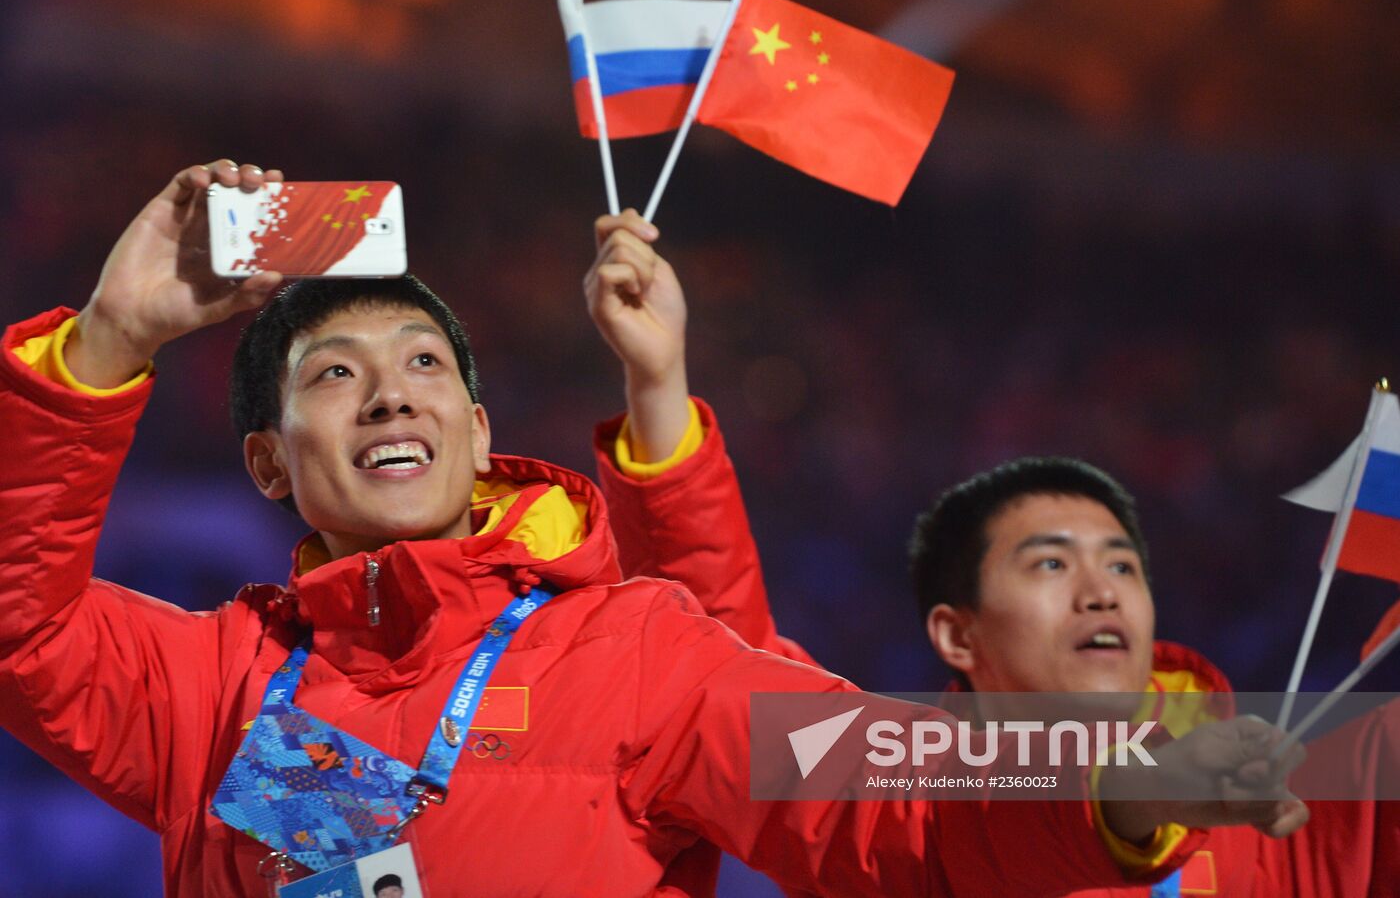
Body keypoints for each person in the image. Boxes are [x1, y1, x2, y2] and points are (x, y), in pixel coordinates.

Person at [0, 162, 1296, 898]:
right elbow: (23, 622)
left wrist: (1104, 789)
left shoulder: (633, 653)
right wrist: (110, 340)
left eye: (424, 363)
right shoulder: (216, 680)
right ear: (267, 463)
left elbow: (877, 796)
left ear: (475, 418)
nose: (392, 389)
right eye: (335, 371)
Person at [585, 209, 1396, 896]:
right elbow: (722, 676)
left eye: (1123, 565)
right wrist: (658, 392)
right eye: (1050, 562)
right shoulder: (906, 799)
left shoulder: (1287, 809)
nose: (1101, 590)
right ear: (956, 633)